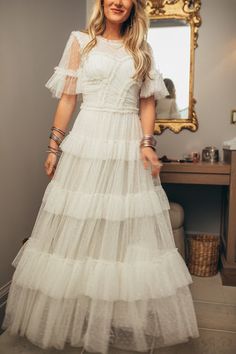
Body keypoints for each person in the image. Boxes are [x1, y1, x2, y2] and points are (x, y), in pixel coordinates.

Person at [2, 1, 199, 353]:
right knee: (79, 229)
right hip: (87, 142)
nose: (118, 2)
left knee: (121, 233)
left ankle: (111, 317)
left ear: (134, 6)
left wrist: (146, 144)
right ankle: (77, 315)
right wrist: (53, 147)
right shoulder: (81, 41)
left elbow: (148, 103)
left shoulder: (143, 49)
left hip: (126, 146)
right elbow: (67, 99)